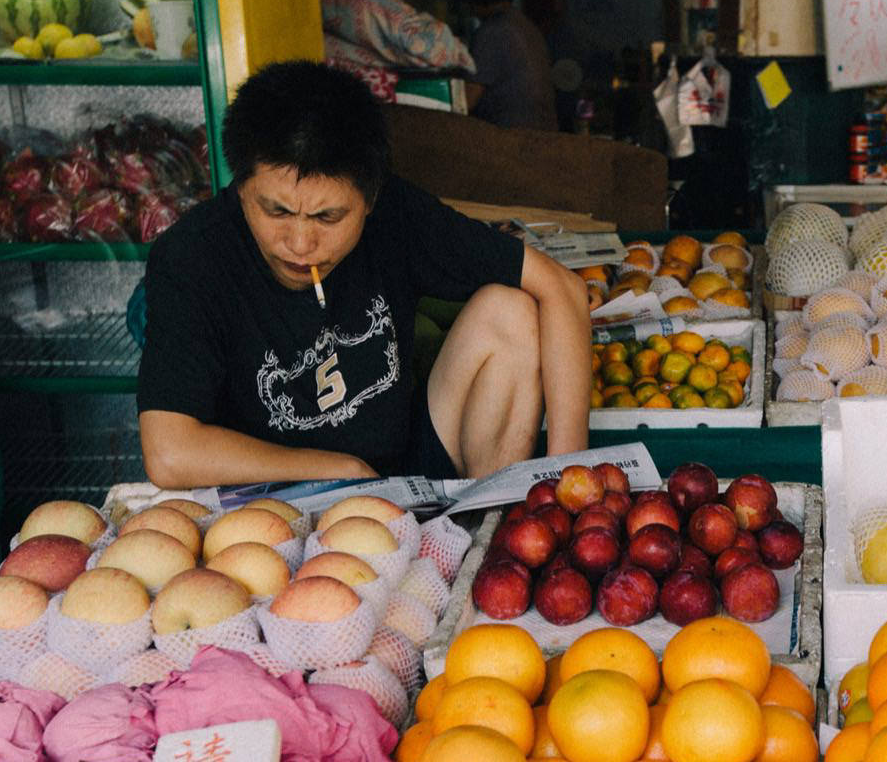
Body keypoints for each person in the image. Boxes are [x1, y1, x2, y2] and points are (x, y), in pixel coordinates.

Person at [136, 60, 590, 488]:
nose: (299, 244)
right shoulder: (192, 256)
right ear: (240, 186)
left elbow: (560, 286)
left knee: (511, 311)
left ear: (370, 201)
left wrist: (570, 479)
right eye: (275, 211)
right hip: (274, 501)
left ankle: (490, 525)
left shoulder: (395, 212)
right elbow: (169, 452)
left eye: (327, 218)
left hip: (407, 473)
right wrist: (338, 470)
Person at [453, 0, 557, 131]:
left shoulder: (492, 32)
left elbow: (466, 101)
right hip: (539, 137)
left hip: (512, 143)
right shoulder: (523, 24)